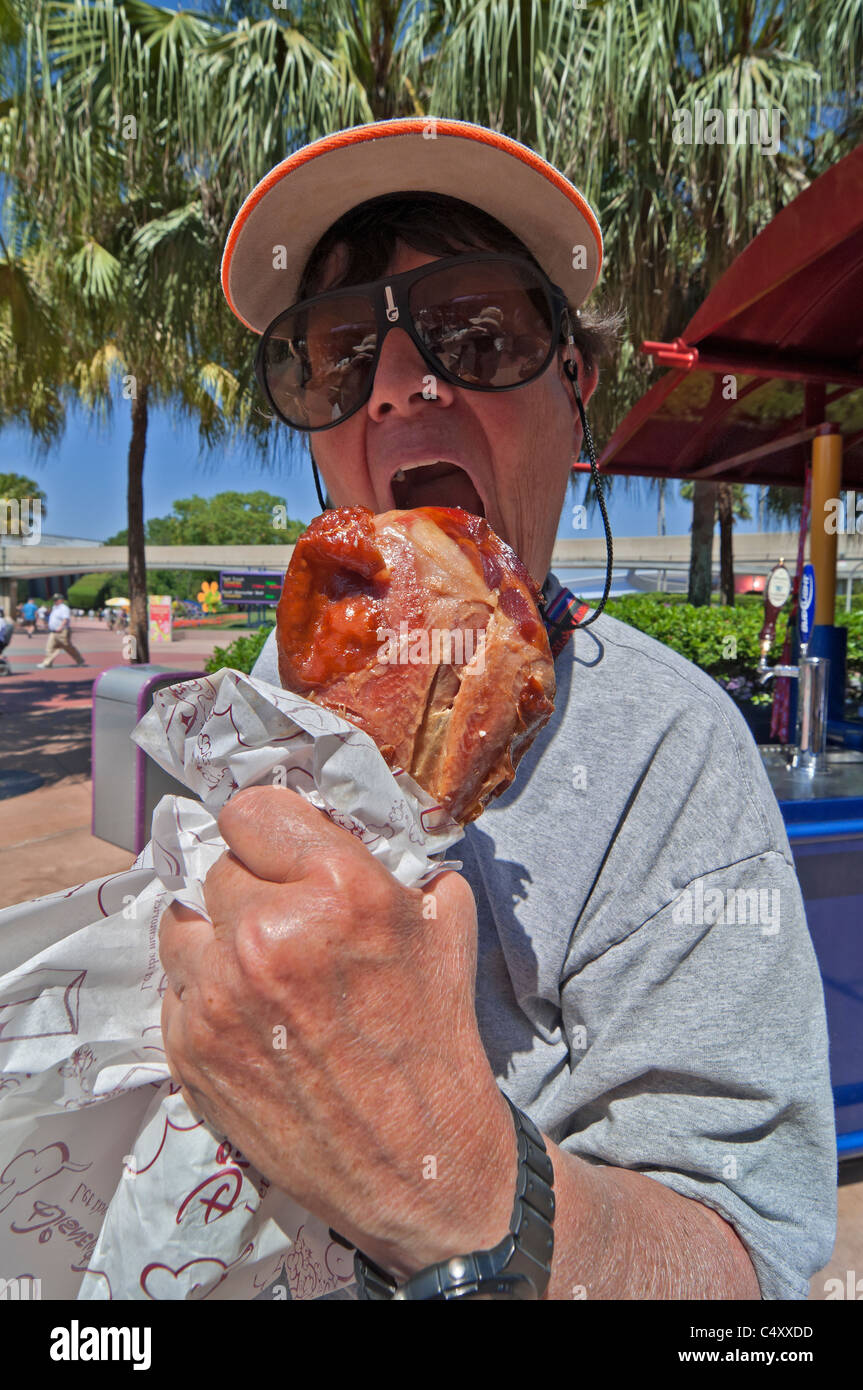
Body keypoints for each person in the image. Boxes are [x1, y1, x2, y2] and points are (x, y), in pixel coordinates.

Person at [158, 119, 835, 1301]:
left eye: (477, 334)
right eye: (330, 355)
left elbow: (757, 1272)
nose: (399, 388)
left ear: (573, 391)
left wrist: (463, 1188)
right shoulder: (252, 703)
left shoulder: (667, 752)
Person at [36, 593, 86, 668]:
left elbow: (65, 619)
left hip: (62, 631)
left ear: (61, 600)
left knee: (68, 647)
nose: (55, 601)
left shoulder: (64, 608)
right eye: (54, 600)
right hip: (53, 631)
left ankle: (80, 660)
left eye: (56, 600)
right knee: (49, 647)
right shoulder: (55, 607)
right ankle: (47, 663)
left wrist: (61, 627)